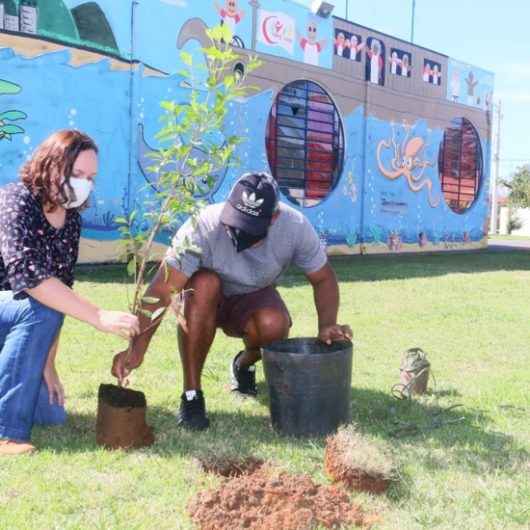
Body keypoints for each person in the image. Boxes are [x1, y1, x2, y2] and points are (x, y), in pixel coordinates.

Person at [112, 172, 352, 431]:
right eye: (234, 222)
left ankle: (243, 364)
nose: (238, 233)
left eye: (250, 228)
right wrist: (137, 348)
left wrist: (327, 324)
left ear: (273, 218)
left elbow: (324, 278)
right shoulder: (202, 226)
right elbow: (161, 290)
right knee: (205, 284)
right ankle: (192, 394)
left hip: (253, 297)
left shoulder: (295, 227)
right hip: (203, 301)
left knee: (274, 323)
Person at [0, 130, 140, 456]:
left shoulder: (71, 220)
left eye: (90, 177)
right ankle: (5, 432)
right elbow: (32, 280)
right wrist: (98, 316)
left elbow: (59, 289)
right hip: (11, 310)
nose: (84, 184)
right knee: (39, 306)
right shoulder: (14, 201)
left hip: (17, 321)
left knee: (51, 416)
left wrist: (47, 366)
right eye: (77, 174)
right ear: (50, 166)